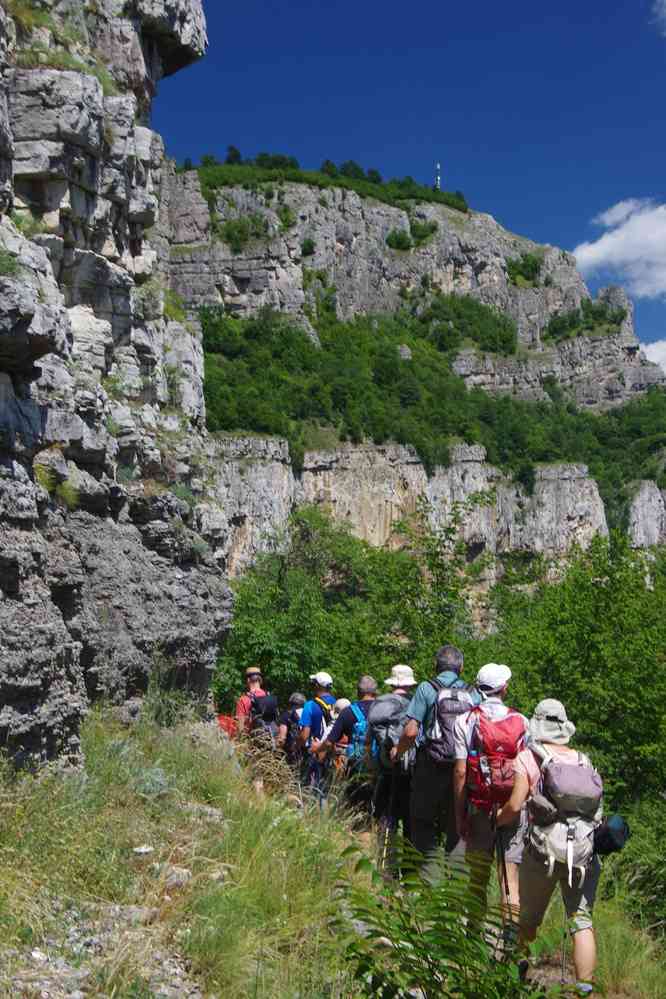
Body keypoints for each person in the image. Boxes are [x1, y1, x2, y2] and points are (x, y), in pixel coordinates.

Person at [497, 699, 603, 995]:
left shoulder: (528, 757)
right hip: (583, 852)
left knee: (528, 918)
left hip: (543, 852)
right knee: (581, 920)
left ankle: (515, 974)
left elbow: (515, 804)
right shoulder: (584, 761)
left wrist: (497, 819)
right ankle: (584, 988)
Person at [453, 663, 528, 931]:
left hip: (480, 805)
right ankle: (509, 945)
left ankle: (473, 934)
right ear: (504, 689)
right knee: (509, 878)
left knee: (478, 877)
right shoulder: (521, 721)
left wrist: (459, 814)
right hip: (512, 807)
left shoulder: (465, 720)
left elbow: (461, 772)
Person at [393, 645, 479, 863]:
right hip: (463, 768)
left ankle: (429, 883)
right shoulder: (473, 693)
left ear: (435, 666)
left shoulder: (426, 688)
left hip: (431, 768)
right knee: (458, 827)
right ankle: (455, 891)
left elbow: (411, 732)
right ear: (461, 667)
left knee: (422, 823)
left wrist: (397, 751)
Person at [367, 664, 417, 871]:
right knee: (410, 823)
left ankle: (385, 866)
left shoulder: (379, 703)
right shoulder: (415, 704)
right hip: (410, 773)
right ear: (409, 684)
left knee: (386, 819)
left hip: (386, 769)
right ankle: (408, 872)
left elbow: (369, 740)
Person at [319, 676, 378, 815]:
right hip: (379, 766)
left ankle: (354, 832)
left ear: (358, 692)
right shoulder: (384, 709)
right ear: (376, 692)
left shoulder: (348, 712)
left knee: (354, 807)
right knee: (376, 809)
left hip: (356, 766)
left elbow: (329, 741)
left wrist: (318, 748)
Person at [299, 672, 337, 799]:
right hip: (332, 753)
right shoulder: (337, 704)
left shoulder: (310, 705)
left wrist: (296, 745)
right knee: (326, 791)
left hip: (313, 752)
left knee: (307, 789)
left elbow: (305, 735)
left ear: (317, 685)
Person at [235, 666, 277, 738]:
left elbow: (240, 726)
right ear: (260, 680)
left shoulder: (243, 700)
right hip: (271, 737)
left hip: (253, 739)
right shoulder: (269, 696)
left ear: (248, 680)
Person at [276, 692, 306, 768]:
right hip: (307, 752)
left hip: (290, 752)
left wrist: (276, 750)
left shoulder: (286, 715)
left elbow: (282, 738)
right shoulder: (308, 714)